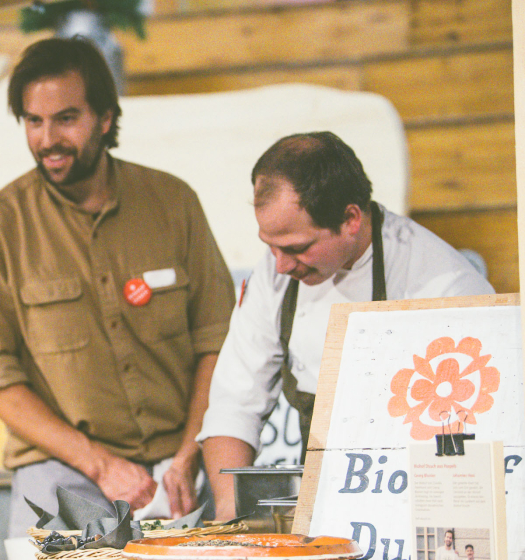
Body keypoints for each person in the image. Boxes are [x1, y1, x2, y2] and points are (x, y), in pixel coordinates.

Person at [0, 37, 235, 537]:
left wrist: (189, 453)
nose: (47, 139)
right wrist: (102, 466)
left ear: (106, 118)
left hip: (180, 470)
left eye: (66, 119)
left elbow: (216, 342)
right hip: (61, 472)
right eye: (33, 121)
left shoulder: (174, 202)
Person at [197, 131, 495, 521]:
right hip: (319, 506)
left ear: (351, 219)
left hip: (417, 503)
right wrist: (230, 511)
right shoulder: (275, 273)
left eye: (297, 248)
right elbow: (234, 404)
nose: (280, 264)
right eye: (270, 246)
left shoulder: (445, 285)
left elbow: (472, 443)